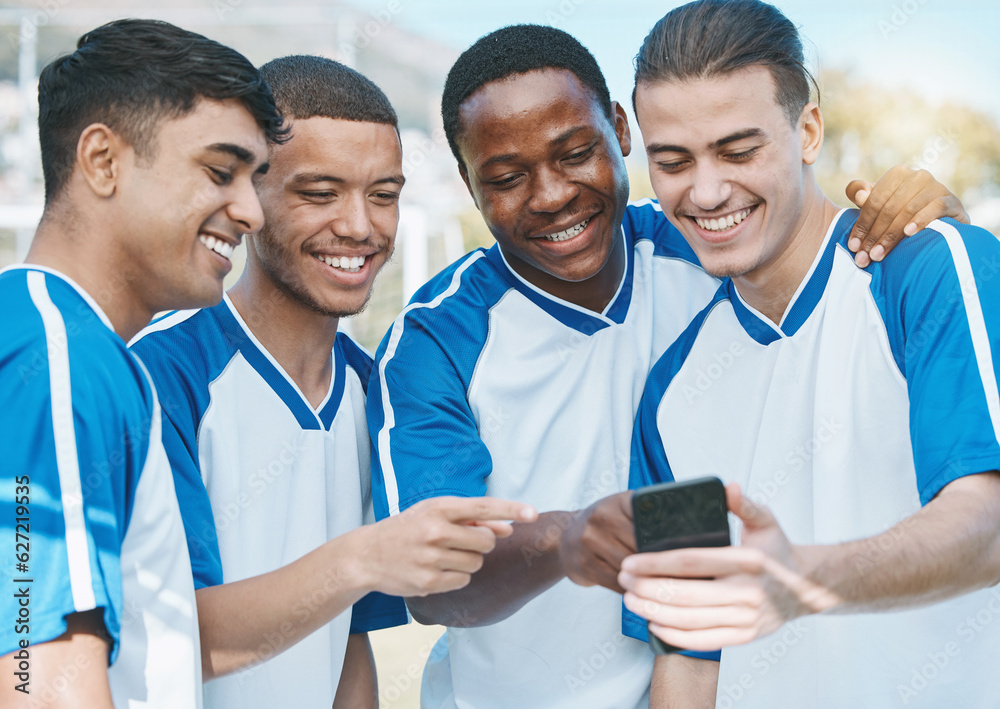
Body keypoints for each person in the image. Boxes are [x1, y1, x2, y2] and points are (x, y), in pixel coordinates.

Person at [367, 24, 968, 709]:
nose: (552, 194)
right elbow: (434, 588)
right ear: (470, 185)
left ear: (620, 130)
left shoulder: (712, 250)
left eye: (576, 153)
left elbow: (810, 241)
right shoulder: (435, 339)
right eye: (505, 177)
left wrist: (920, 222)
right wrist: (565, 539)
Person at [622, 2, 1000, 707]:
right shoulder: (668, 394)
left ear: (808, 130)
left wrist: (803, 577)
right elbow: (688, 649)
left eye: (739, 151)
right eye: (672, 161)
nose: (706, 191)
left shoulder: (932, 269)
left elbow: (989, 525)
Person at [130, 55, 536, 709]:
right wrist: (361, 558)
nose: (360, 225)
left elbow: (348, 635)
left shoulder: (374, 393)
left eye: (384, 194)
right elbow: (174, 638)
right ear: (248, 196)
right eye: (320, 193)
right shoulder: (161, 374)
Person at [0, 19, 286, 708]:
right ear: (102, 161)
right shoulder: (57, 355)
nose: (250, 211)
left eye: (255, 180)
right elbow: (36, 676)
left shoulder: (76, 346)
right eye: (221, 172)